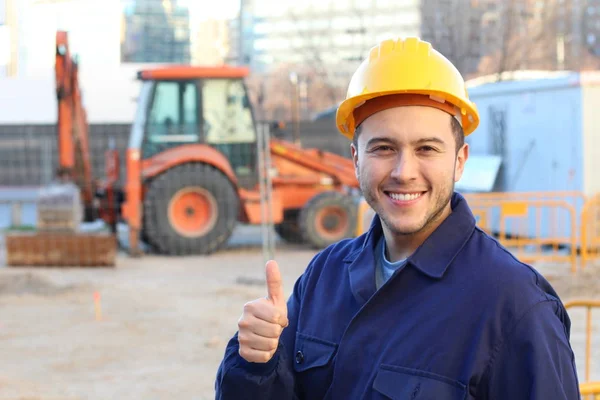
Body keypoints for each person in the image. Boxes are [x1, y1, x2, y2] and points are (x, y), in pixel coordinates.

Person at [214, 37, 581, 399]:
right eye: (384, 148)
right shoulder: (324, 277)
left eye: (426, 149)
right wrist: (254, 364)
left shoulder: (514, 305)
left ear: (460, 160)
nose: (404, 172)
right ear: (356, 158)